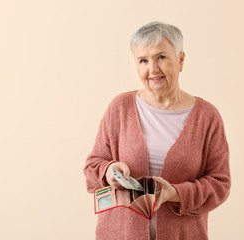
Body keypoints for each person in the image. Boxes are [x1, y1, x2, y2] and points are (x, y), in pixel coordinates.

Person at [83, 21, 231, 240]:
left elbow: (220, 184)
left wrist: (175, 193)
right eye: (143, 60)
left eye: (161, 57)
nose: (152, 69)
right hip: (119, 234)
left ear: (180, 60)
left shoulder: (207, 117)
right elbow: (92, 166)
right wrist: (110, 170)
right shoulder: (120, 107)